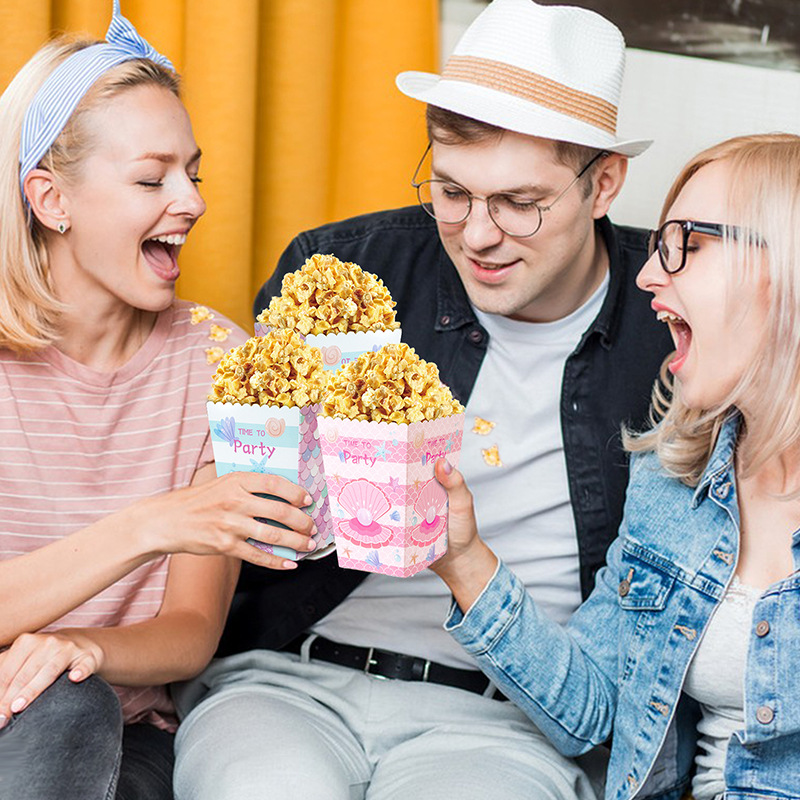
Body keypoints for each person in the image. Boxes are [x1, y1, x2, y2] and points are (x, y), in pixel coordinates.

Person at [173, 1, 671, 798]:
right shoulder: (344, 273)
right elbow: (245, 509)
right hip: (289, 685)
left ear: (603, 183)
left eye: (520, 203)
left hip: (505, 721)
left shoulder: (670, 326)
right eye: (451, 190)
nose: (477, 234)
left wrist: (457, 552)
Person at [0, 4, 316, 799]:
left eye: (193, 174)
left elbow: (190, 633)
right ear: (51, 199)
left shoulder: (224, 364)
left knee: (65, 702)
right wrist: (151, 524)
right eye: (152, 179)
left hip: (111, 729)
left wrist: (81, 650)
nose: (194, 202)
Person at [432, 132, 800, 800]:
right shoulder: (675, 475)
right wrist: (463, 559)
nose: (648, 275)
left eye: (685, 244)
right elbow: (596, 710)